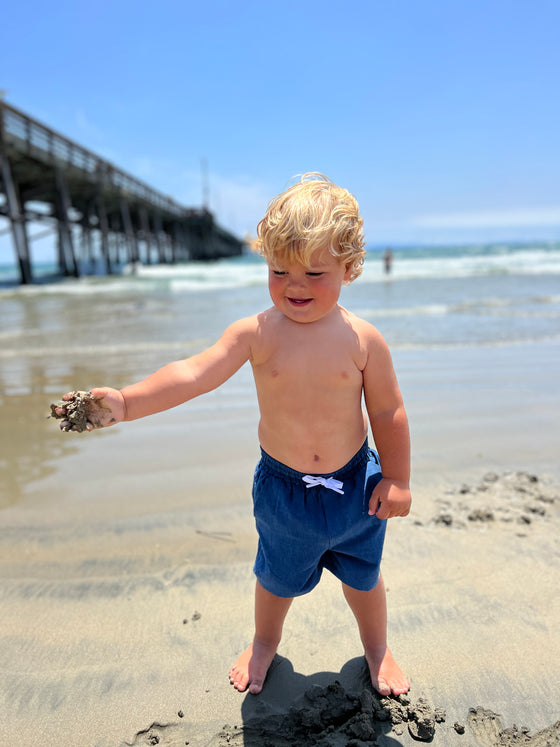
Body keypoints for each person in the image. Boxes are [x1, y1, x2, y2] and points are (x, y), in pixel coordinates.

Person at [54, 173, 412, 698]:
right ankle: (265, 642)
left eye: (315, 271)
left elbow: (388, 409)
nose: (295, 284)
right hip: (284, 490)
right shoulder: (257, 333)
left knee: (364, 578)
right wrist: (128, 402)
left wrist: (398, 479)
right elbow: (193, 373)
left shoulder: (363, 340)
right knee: (275, 578)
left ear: (350, 268)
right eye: (278, 270)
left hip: (356, 486)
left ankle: (377, 649)